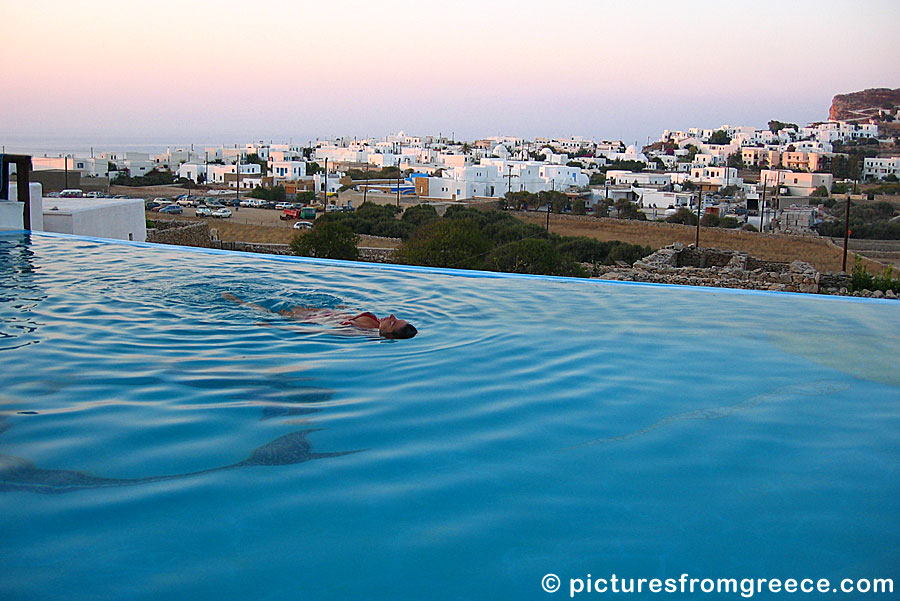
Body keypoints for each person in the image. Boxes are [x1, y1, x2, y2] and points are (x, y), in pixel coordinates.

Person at [223, 293, 417, 339]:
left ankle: (238, 302)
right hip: (321, 311)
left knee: (271, 311)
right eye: (395, 316)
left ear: (388, 336)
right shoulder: (375, 322)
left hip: (309, 318)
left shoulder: (358, 333)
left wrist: (275, 328)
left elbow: (320, 330)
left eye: (392, 322)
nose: (390, 316)